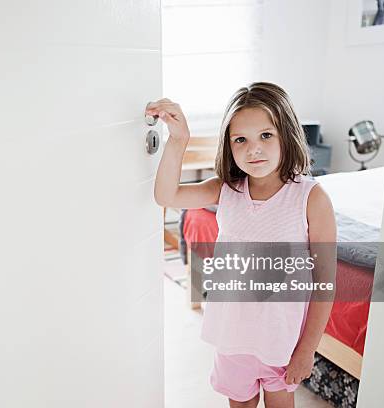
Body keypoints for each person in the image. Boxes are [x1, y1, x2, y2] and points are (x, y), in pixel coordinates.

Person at [149, 82, 336, 408]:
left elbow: (325, 282)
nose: (254, 149)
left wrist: (306, 350)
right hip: (232, 338)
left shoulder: (311, 198)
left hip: (280, 340)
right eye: (241, 140)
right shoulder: (225, 189)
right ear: (229, 145)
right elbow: (166, 196)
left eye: (266, 135)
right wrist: (178, 141)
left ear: (286, 134)